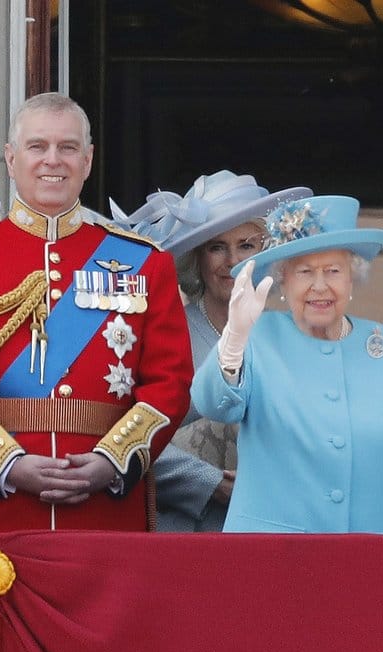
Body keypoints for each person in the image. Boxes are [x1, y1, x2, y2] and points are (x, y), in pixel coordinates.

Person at [0, 92, 193, 530]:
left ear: (88, 160)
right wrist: (7, 462)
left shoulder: (146, 263)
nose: (52, 160)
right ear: (10, 157)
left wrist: (111, 462)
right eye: (37, 146)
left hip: (107, 512)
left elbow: (170, 382)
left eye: (68, 148)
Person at [191, 194, 383, 534]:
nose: (320, 286)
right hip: (271, 562)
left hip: (374, 564)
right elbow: (212, 403)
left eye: (333, 271)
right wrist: (233, 338)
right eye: (305, 272)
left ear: (352, 279)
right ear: (284, 279)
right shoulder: (256, 337)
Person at [115, 171, 310, 531]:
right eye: (216, 247)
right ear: (197, 258)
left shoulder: (291, 340)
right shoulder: (164, 332)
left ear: (267, 253)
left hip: (273, 529)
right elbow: (123, 434)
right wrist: (208, 481)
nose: (231, 260)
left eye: (246, 245)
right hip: (183, 533)